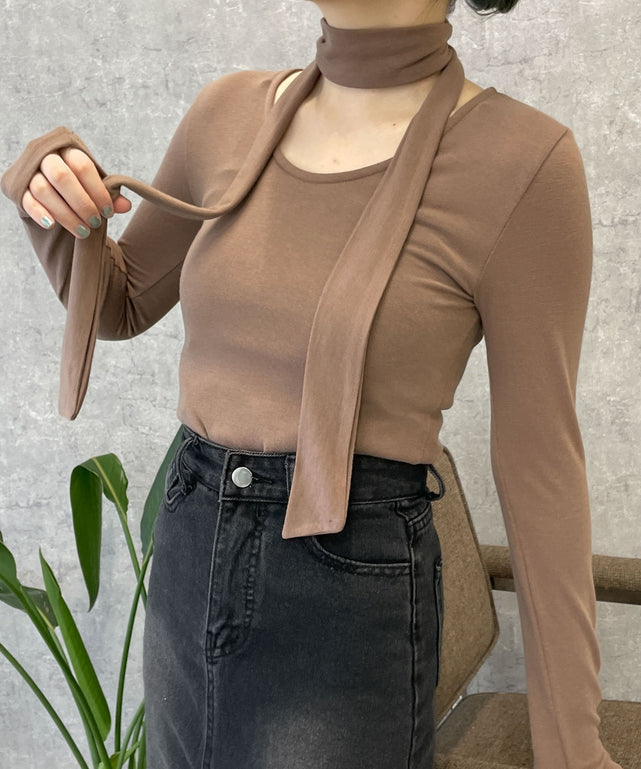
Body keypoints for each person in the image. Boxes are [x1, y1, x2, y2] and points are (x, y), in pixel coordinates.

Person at [0, 0, 624, 768]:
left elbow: (539, 465)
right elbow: (119, 303)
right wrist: (56, 192)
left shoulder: (521, 162)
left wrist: (571, 747)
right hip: (188, 555)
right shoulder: (226, 113)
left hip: (345, 596)